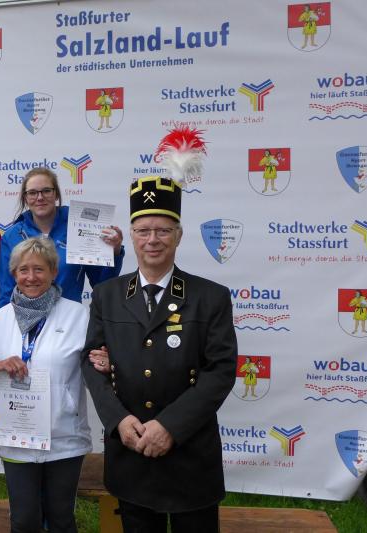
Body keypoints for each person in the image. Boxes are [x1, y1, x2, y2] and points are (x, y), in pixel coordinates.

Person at [81, 176, 237, 533]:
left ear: (179, 236)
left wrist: (170, 427)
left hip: (190, 455)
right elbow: (91, 363)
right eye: (143, 230)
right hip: (131, 451)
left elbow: (221, 371)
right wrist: (118, 421)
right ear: (132, 235)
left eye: (163, 230)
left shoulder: (210, 297)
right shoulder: (107, 295)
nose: (153, 240)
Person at [0, 237, 91, 533]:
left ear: (54, 272)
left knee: (61, 518)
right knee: (24, 519)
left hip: (64, 436)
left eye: (39, 269)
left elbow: (95, 369)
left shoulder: (78, 316)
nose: (31, 277)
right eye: (23, 270)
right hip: (18, 436)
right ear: (14, 274)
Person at [0, 167, 124, 307]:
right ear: (25, 198)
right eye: (32, 193)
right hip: (25, 318)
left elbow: (102, 284)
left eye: (46, 191)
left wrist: (114, 252)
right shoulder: (11, 237)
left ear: (56, 194)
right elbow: (6, 293)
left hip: (70, 317)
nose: (40, 197)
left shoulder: (80, 227)